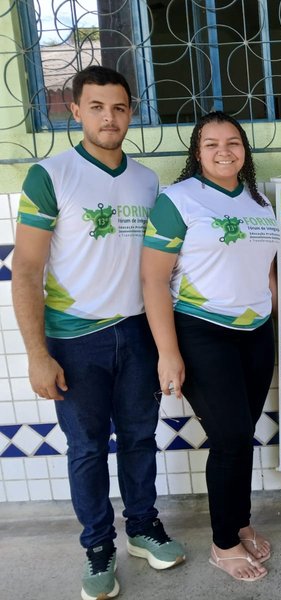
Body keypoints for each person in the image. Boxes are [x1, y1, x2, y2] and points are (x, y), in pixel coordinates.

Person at [11, 65, 185, 600]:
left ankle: (141, 529)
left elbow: (159, 271)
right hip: (74, 339)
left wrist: (163, 346)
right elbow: (25, 271)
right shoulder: (49, 175)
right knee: (85, 448)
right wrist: (38, 355)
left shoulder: (147, 181)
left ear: (131, 112)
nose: (109, 118)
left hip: (136, 334)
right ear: (76, 110)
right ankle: (97, 547)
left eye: (119, 107)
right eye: (97, 107)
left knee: (138, 439)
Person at [141, 111, 279, 583]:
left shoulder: (259, 202)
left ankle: (239, 523)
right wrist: (168, 352)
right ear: (196, 153)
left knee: (242, 435)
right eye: (212, 143)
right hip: (202, 331)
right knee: (230, 440)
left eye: (234, 142)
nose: (225, 151)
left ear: (245, 149)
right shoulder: (177, 201)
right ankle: (223, 544)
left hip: (256, 332)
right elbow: (154, 281)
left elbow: (266, 272)